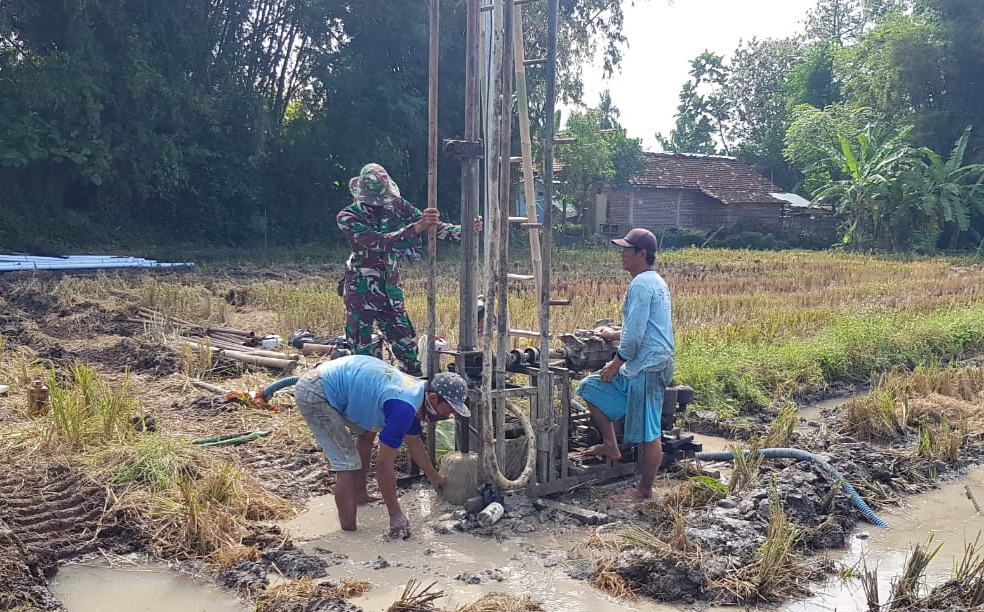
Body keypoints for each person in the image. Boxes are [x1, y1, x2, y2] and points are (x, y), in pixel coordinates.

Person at [293, 354, 471, 536]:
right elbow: (385, 466)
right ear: (433, 399)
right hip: (316, 392)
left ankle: (360, 495)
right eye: (448, 410)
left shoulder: (416, 395)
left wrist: (434, 477)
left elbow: (414, 441)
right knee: (347, 463)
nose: (446, 416)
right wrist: (395, 515)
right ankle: (349, 534)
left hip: (337, 383)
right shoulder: (403, 407)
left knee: (366, 433)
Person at [337, 163, 482, 376]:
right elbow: (379, 242)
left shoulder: (395, 204)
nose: (381, 206)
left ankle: (412, 384)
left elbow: (430, 224)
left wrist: (463, 231)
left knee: (405, 343)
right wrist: (415, 228)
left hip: (390, 287)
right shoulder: (347, 217)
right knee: (361, 348)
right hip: (361, 289)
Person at [574, 228, 674, 501]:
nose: (622, 254)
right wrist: (613, 335)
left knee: (649, 431)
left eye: (627, 250)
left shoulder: (641, 285)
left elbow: (638, 336)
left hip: (646, 367)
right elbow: (643, 327)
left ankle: (644, 490)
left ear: (642, 254)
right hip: (645, 363)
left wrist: (615, 363)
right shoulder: (656, 282)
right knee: (589, 387)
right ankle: (611, 445)